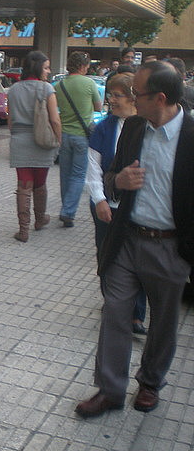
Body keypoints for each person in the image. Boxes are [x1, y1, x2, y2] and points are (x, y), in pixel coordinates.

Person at [75, 60, 194, 418]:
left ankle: (150, 383)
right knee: (115, 312)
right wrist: (117, 184)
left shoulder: (191, 136)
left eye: (136, 94)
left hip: (172, 247)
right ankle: (110, 390)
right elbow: (111, 176)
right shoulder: (134, 128)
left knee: (164, 322)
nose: (130, 99)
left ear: (160, 98)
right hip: (127, 239)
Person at [86, 72, 147, 335]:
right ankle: (112, 302)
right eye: (109, 94)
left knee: (138, 259)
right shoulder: (103, 128)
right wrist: (99, 199)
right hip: (106, 205)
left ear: (134, 97)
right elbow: (92, 167)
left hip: (138, 207)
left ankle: (136, 314)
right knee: (107, 255)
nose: (111, 100)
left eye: (117, 95)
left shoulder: (146, 126)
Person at [7, 50, 62, 242]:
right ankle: (40, 219)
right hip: (42, 140)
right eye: (46, 67)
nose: (48, 71)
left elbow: (10, 120)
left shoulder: (13, 89)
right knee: (40, 183)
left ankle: (23, 230)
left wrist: (15, 136)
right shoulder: (47, 89)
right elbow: (54, 120)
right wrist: (58, 140)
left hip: (20, 140)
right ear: (38, 67)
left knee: (23, 185)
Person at [54, 51, 102, 228]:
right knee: (78, 175)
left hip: (64, 135)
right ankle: (68, 211)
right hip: (82, 135)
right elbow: (98, 107)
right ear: (83, 66)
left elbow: (55, 109)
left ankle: (66, 207)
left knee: (65, 174)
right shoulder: (89, 83)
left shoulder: (59, 85)